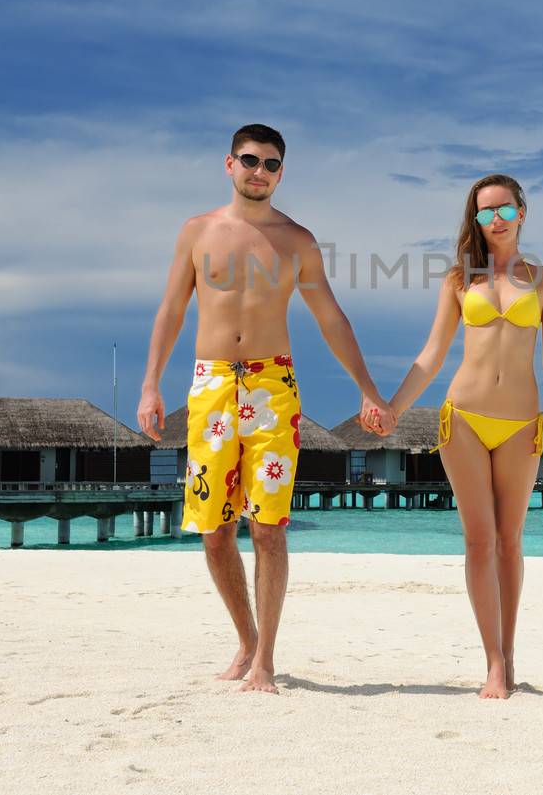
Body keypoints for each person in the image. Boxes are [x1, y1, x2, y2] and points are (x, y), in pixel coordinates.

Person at [137, 123, 397, 694]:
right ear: (228, 164)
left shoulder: (297, 241)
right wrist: (150, 385)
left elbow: (331, 318)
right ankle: (247, 639)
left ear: (282, 172)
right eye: (250, 160)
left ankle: (265, 661)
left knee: (270, 528)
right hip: (209, 387)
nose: (260, 171)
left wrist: (368, 389)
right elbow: (171, 311)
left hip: (272, 386)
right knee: (212, 531)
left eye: (271, 164)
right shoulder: (196, 232)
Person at [385, 174, 543, 699]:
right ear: (476, 218)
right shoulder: (459, 280)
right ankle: (491, 661)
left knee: (511, 543)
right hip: (461, 418)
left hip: (520, 423)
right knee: (479, 540)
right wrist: (394, 407)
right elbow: (432, 355)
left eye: (503, 209)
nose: (494, 219)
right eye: (484, 211)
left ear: (522, 211)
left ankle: (509, 655)